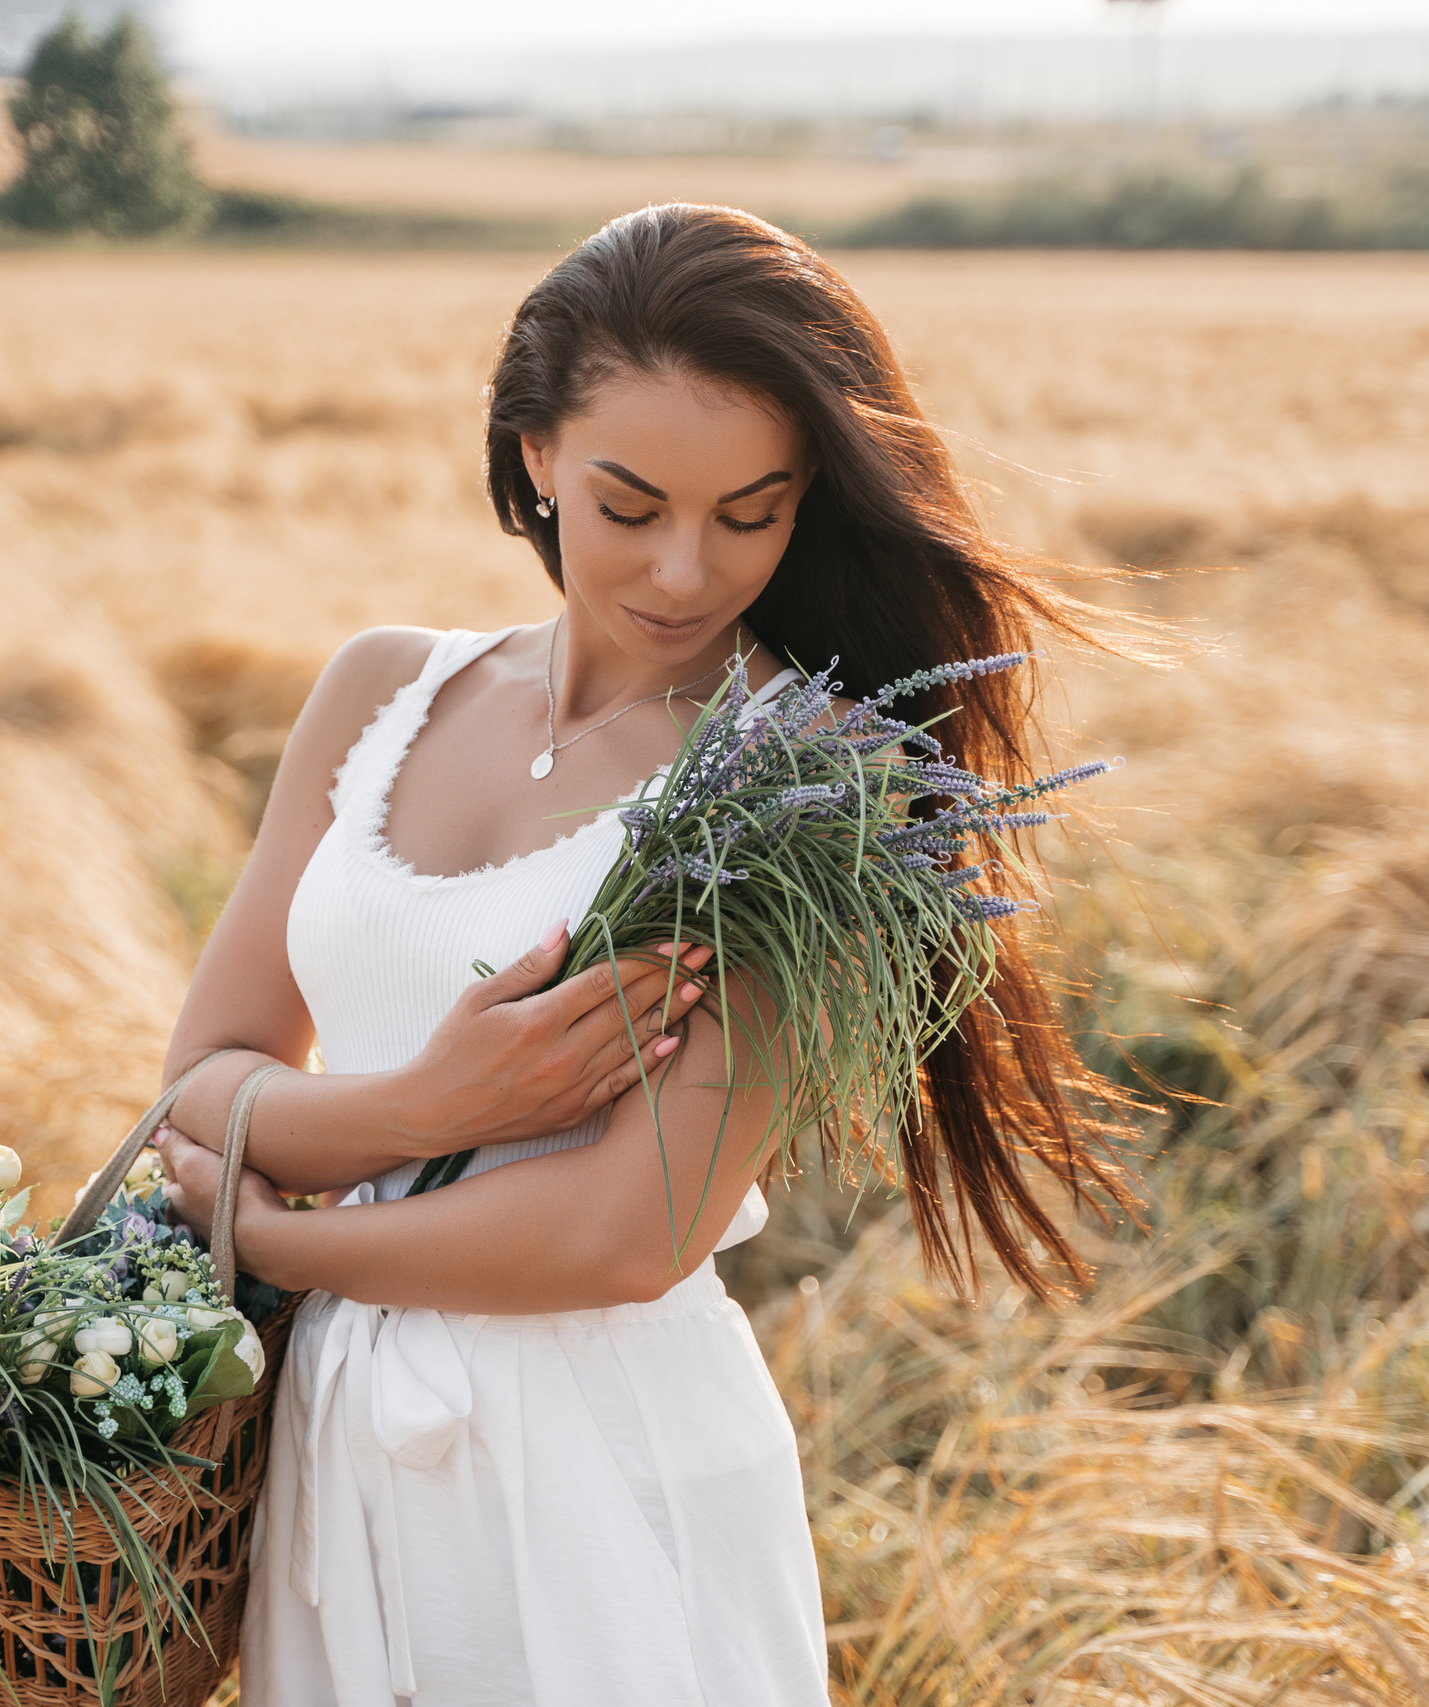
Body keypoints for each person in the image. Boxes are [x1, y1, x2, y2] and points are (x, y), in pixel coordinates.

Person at [151, 203, 1130, 1706]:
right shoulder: (379, 690)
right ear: (535, 454)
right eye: (632, 505)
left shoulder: (795, 776)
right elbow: (200, 1080)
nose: (687, 570)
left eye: (753, 512)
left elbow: (628, 1232)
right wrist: (424, 1113)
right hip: (334, 1455)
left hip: (598, 1474)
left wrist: (280, 1240)